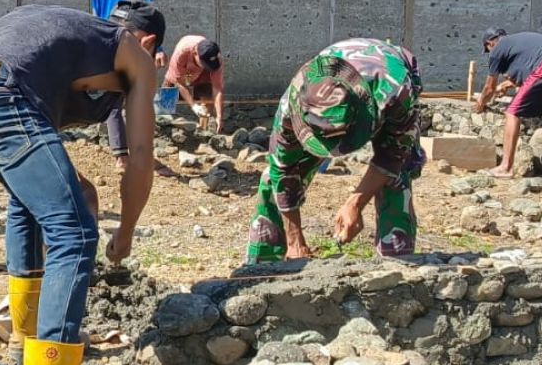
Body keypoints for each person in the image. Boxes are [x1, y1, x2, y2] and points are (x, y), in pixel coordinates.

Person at [0, 0, 163, 365]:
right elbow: (142, 157)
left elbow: (37, 143)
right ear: (148, 41)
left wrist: (78, 187)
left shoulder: (72, 40)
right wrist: (125, 232)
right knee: (74, 232)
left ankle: (25, 339)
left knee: (30, 201)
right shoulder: (136, 55)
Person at [246, 38, 424, 264]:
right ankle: (263, 268)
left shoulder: (396, 92)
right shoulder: (292, 106)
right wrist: (294, 239)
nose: (334, 153)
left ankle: (397, 264)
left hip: (389, 83)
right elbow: (282, 171)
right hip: (341, 92)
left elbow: (393, 157)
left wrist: (355, 203)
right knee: (272, 181)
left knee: (397, 178)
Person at [90, 0, 165, 168]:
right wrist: (157, 47)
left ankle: (121, 156)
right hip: (131, 39)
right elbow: (144, 7)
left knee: (114, 94)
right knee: (138, 94)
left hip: (104, 36)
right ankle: (142, 154)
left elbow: (95, 9)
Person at [474, 28, 542, 178]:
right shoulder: (519, 42)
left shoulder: (497, 50)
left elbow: (489, 88)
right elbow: (531, 74)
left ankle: (505, 167)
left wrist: (481, 103)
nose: (489, 53)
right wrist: (505, 85)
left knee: (512, 112)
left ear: (489, 43)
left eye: (487, 49)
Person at [164, 36, 225, 132]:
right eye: (205, 63)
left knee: (207, 92)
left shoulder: (216, 59)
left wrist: (219, 117)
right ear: (195, 53)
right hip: (183, 67)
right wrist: (194, 106)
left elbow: (217, 89)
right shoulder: (181, 53)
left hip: (201, 73)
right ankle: (162, 124)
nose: (208, 65)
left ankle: (204, 130)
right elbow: (179, 83)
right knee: (168, 89)